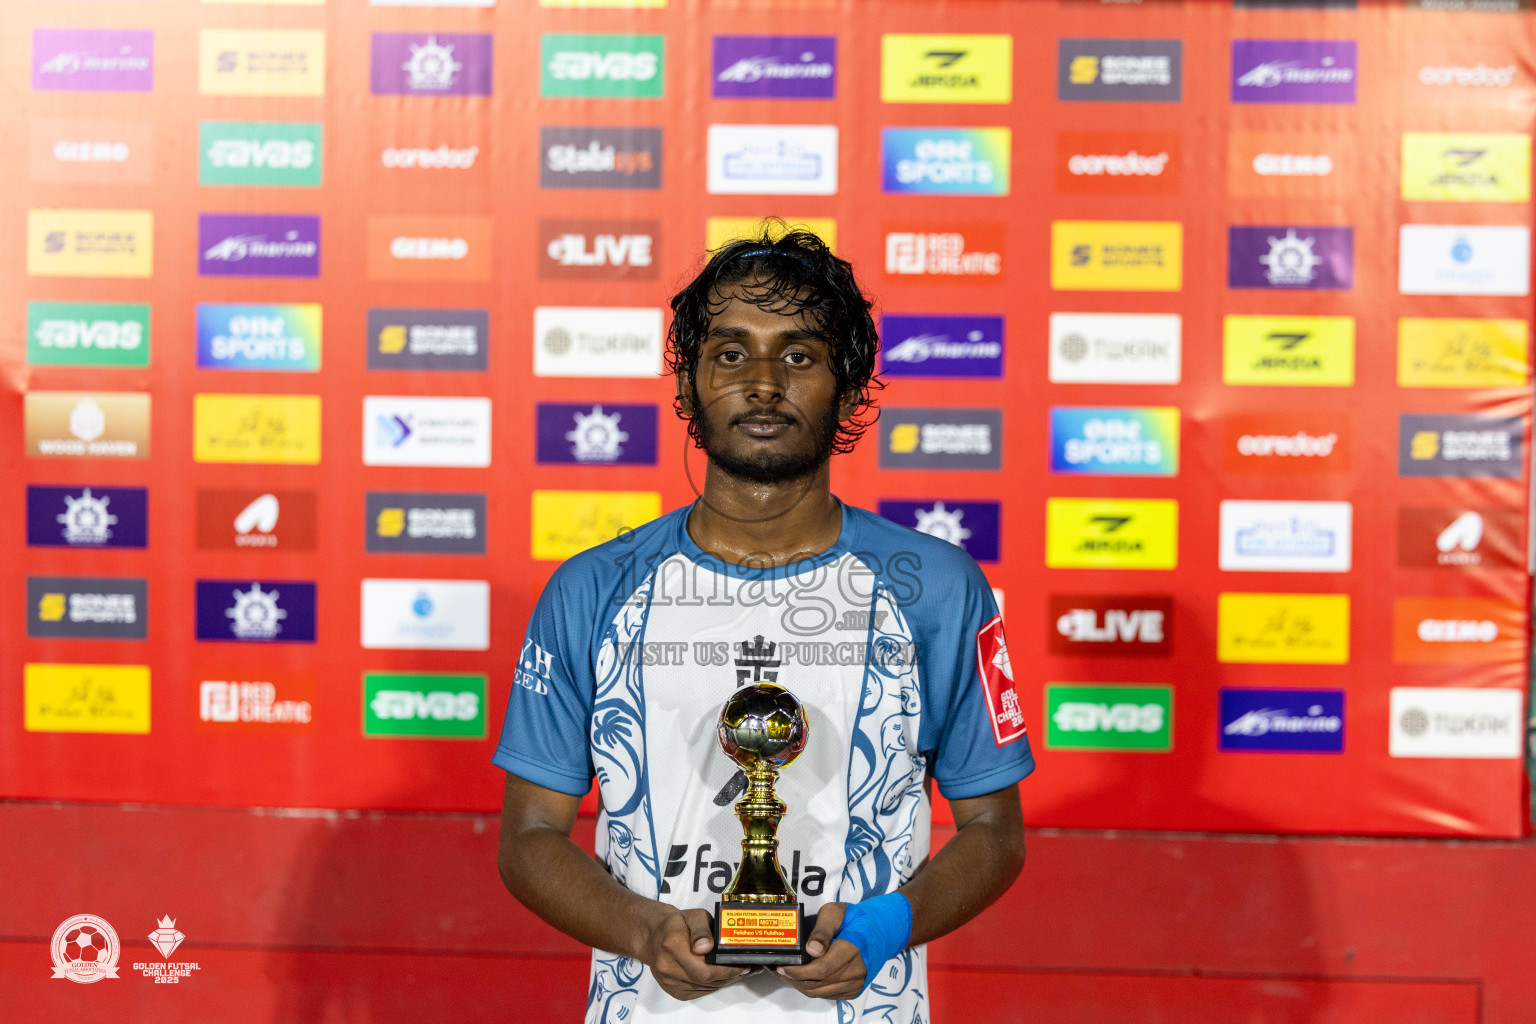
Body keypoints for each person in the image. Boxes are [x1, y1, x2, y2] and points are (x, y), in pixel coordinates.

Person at [494, 227, 1034, 1023]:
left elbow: (996, 831)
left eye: (801, 355)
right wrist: (642, 930)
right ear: (689, 386)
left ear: (849, 391)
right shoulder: (593, 591)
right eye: (731, 354)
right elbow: (529, 838)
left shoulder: (938, 590)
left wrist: (887, 926)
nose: (765, 383)